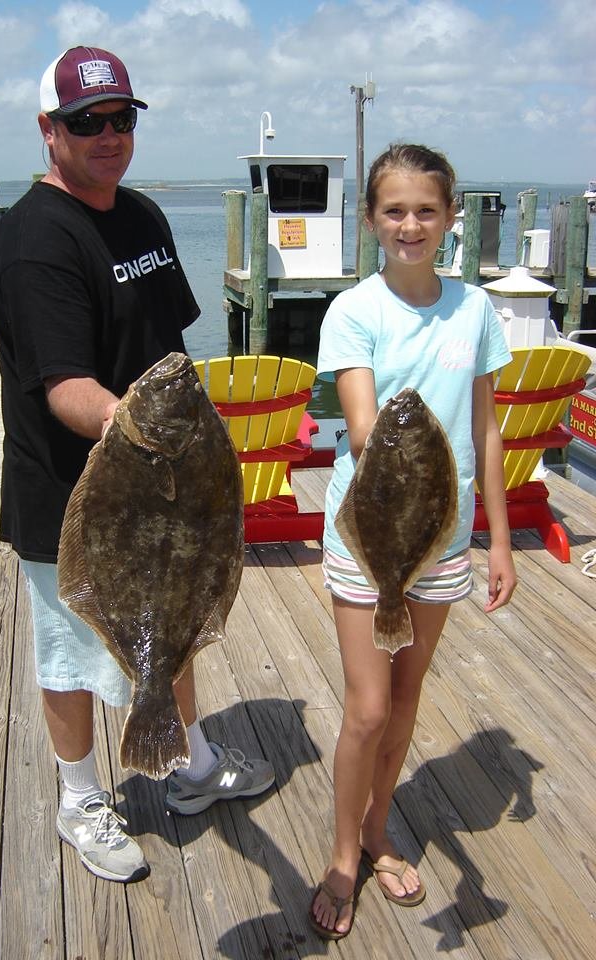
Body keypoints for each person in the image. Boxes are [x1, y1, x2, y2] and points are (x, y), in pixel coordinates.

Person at [0, 46, 274, 885]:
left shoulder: (140, 215)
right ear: (49, 131)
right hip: (72, 500)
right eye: (86, 123)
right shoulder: (34, 242)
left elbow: (172, 351)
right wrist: (143, 429)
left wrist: (193, 441)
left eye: (121, 120)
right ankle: (80, 799)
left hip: (167, 487)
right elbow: (64, 386)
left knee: (174, 627)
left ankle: (186, 764)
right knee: (72, 655)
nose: (108, 137)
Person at [310, 143, 517, 939]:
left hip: (448, 543)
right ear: (371, 220)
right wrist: (401, 439)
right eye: (394, 210)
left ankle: (376, 829)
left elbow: (487, 432)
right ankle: (339, 855)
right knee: (365, 709)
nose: (410, 223)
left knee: (404, 703)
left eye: (426, 210)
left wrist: (497, 541)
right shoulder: (354, 312)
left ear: (450, 219)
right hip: (368, 547)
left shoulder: (475, 310)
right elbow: (364, 432)